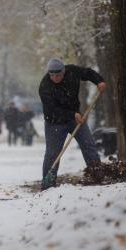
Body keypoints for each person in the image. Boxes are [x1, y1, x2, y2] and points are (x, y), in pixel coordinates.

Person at [38, 58, 106, 190]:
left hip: (75, 119)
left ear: (64, 71)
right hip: (54, 122)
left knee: (88, 144)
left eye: (59, 75)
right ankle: (48, 184)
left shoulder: (72, 71)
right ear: (49, 74)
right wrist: (72, 114)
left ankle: (98, 174)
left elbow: (87, 73)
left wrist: (99, 80)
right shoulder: (45, 87)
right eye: (53, 75)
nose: (56, 78)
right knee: (53, 153)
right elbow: (53, 109)